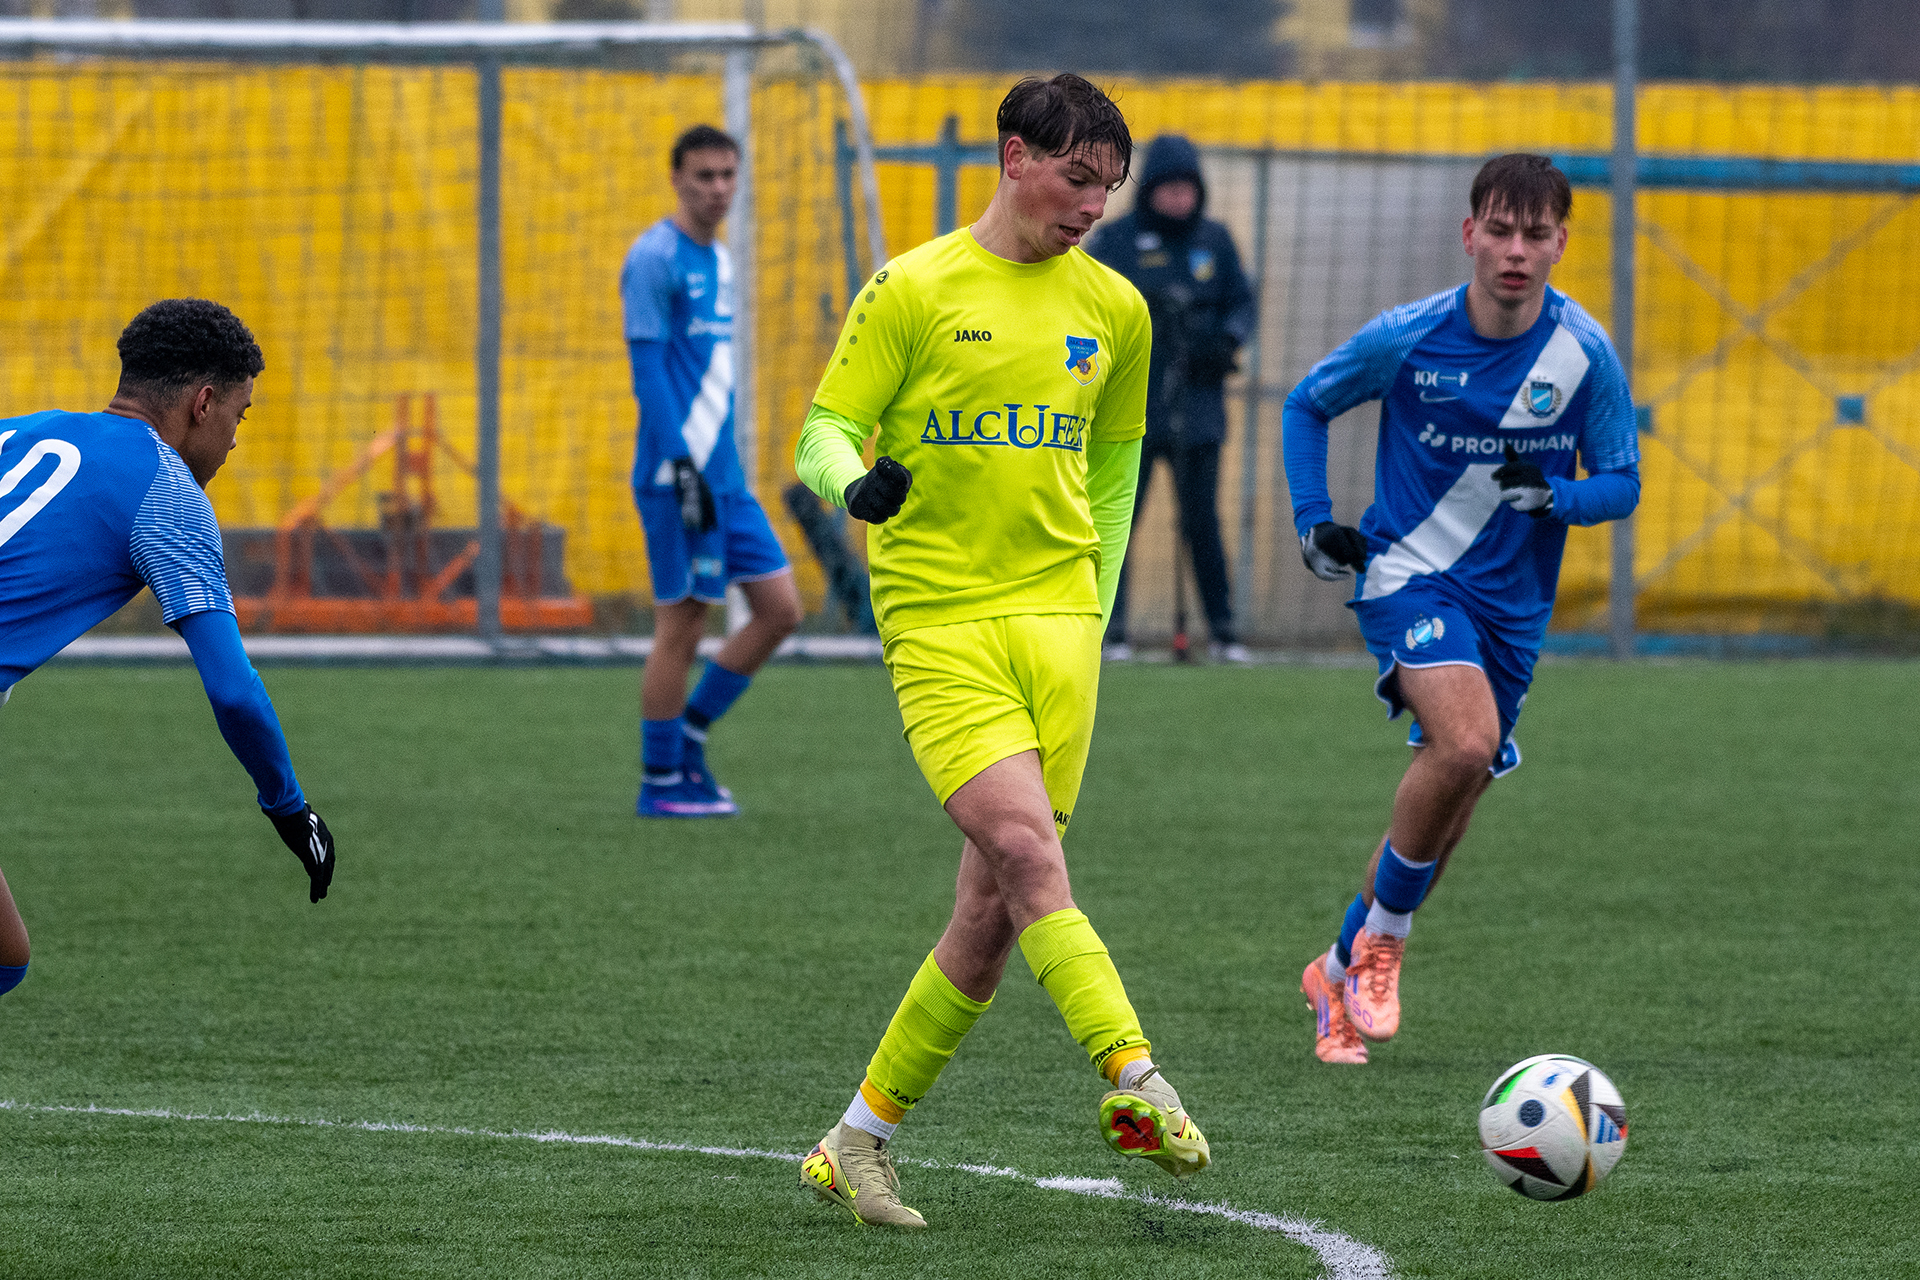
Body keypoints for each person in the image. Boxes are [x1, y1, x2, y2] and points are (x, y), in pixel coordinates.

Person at [790, 74, 1209, 1229]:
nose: (1093, 205)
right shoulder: (914, 288)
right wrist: (853, 484)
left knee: (988, 914)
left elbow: (1114, 467)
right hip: (939, 619)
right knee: (1028, 853)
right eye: (1077, 178)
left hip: (1060, 630)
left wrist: (1093, 606)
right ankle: (1136, 1073)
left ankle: (855, 1141)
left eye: (1107, 187)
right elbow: (825, 428)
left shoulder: (1118, 309)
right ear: (1015, 156)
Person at [1282, 154, 1639, 1065]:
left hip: (1513, 608)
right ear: (1470, 234)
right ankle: (1383, 945)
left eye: (1535, 235)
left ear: (1561, 243)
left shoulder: (1583, 353)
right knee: (1468, 742)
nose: (1516, 251)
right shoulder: (1408, 336)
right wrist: (1314, 521)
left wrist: (1556, 497)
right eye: (1501, 231)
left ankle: (1334, 971)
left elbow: (1623, 483)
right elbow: (1306, 405)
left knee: (1451, 801)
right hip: (1409, 575)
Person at [0, 298, 337, 997]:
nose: (235, 441)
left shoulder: (21, 431)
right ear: (203, 404)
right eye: (240, 417)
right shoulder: (168, 494)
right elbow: (235, 692)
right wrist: (289, 806)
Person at [621, 124, 802, 819]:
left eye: (728, 175)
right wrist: (682, 467)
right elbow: (649, 374)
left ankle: (690, 734)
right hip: (680, 480)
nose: (718, 189)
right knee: (683, 625)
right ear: (676, 179)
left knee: (780, 609)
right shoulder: (653, 258)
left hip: (727, 481)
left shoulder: (721, 259)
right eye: (704, 176)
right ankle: (661, 782)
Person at [1087, 133, 1256, 663]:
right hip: (1128, 410)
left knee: (1202, 522)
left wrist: (1224, 342)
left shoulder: (1215, 241)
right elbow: (1086, 306)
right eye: (1169, 189)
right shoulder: (1115, 241)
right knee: (1114, 520)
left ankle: (1223, 632)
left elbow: (1241, 304)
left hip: (1198, 409)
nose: (1180, 199)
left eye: (1188, 189)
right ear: (1150, 190)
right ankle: (1107, 630)